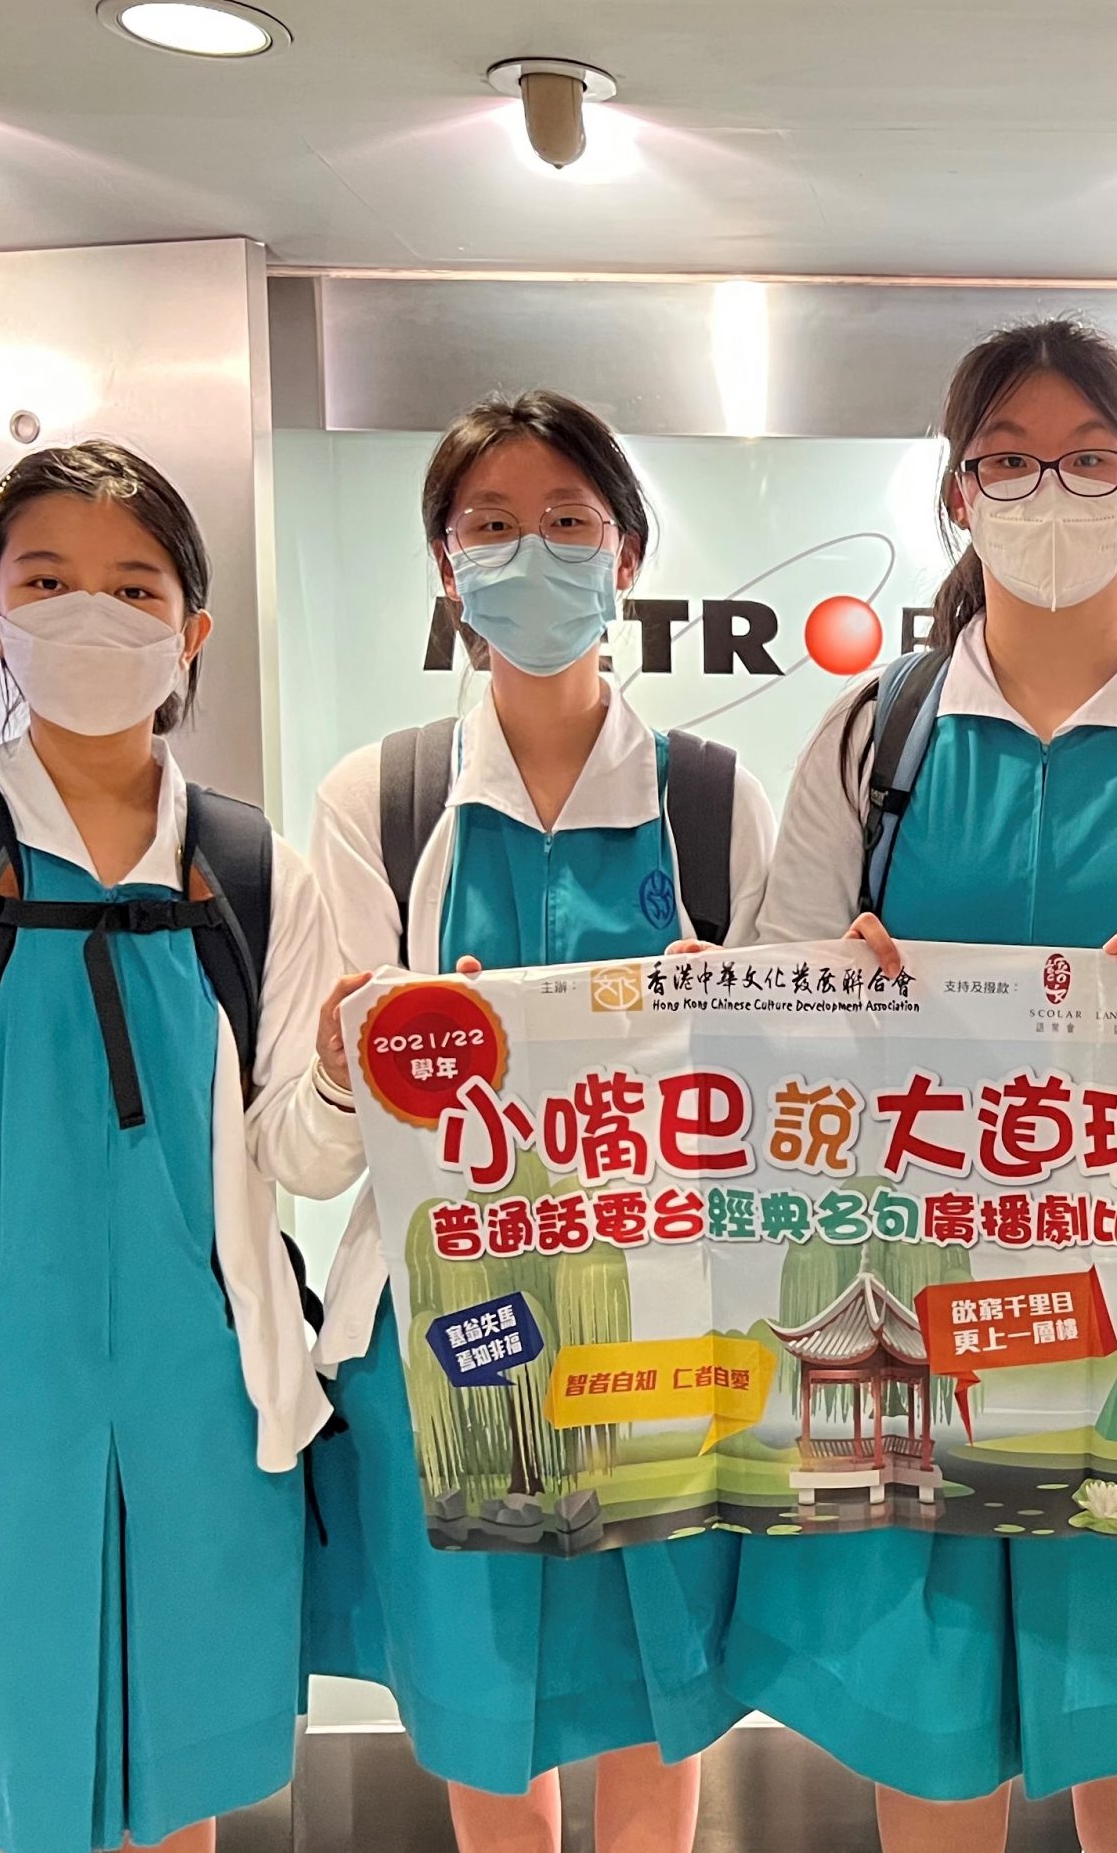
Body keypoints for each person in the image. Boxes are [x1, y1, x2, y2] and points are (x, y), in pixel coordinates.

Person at [730, 317, 1117, 1853]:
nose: (1047, 492)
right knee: (931, 1734)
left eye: (1087, 459)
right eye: (1008, 461)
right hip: (902, 1309)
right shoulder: (878, 736)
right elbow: (760, 1024)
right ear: (958, 494)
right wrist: (827, 990)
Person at [0, 441, 363, 1853]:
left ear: (192, 628)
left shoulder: (251, 869)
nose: (91, 616)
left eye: (134, 586)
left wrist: (350, 1077)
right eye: (46, 582)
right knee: (25, 1788)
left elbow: (296, 1156)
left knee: (182, 1793)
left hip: (210, 1402)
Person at [303, 389, 775, 1853]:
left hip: (668, 1321)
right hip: (449, 1324)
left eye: (568, 522)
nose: (531, 555)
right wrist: (347, 1060)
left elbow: (795, 1115)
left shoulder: (713, 804)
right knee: (485, 1695)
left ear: (626, 554)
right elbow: (318, 1145)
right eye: (491, 526)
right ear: (447, 568)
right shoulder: (385, 800)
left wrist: (738, 1036)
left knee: (653, 1685)